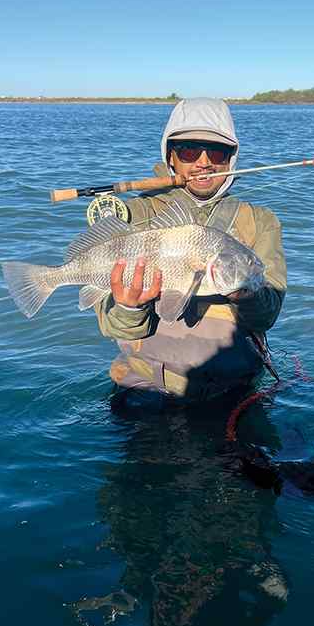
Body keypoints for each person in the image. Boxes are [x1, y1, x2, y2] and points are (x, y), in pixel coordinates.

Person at [96, 97, 287, 400]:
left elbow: (267, 316)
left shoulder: (260, 221)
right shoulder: (135, 216)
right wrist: (129, 307)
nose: (203, 162)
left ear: (231, 159)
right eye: (188, 150)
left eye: (217, 152)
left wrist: (246, 294)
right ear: (171, 157)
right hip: (143, 386)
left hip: (234, 391)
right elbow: (113, 327)